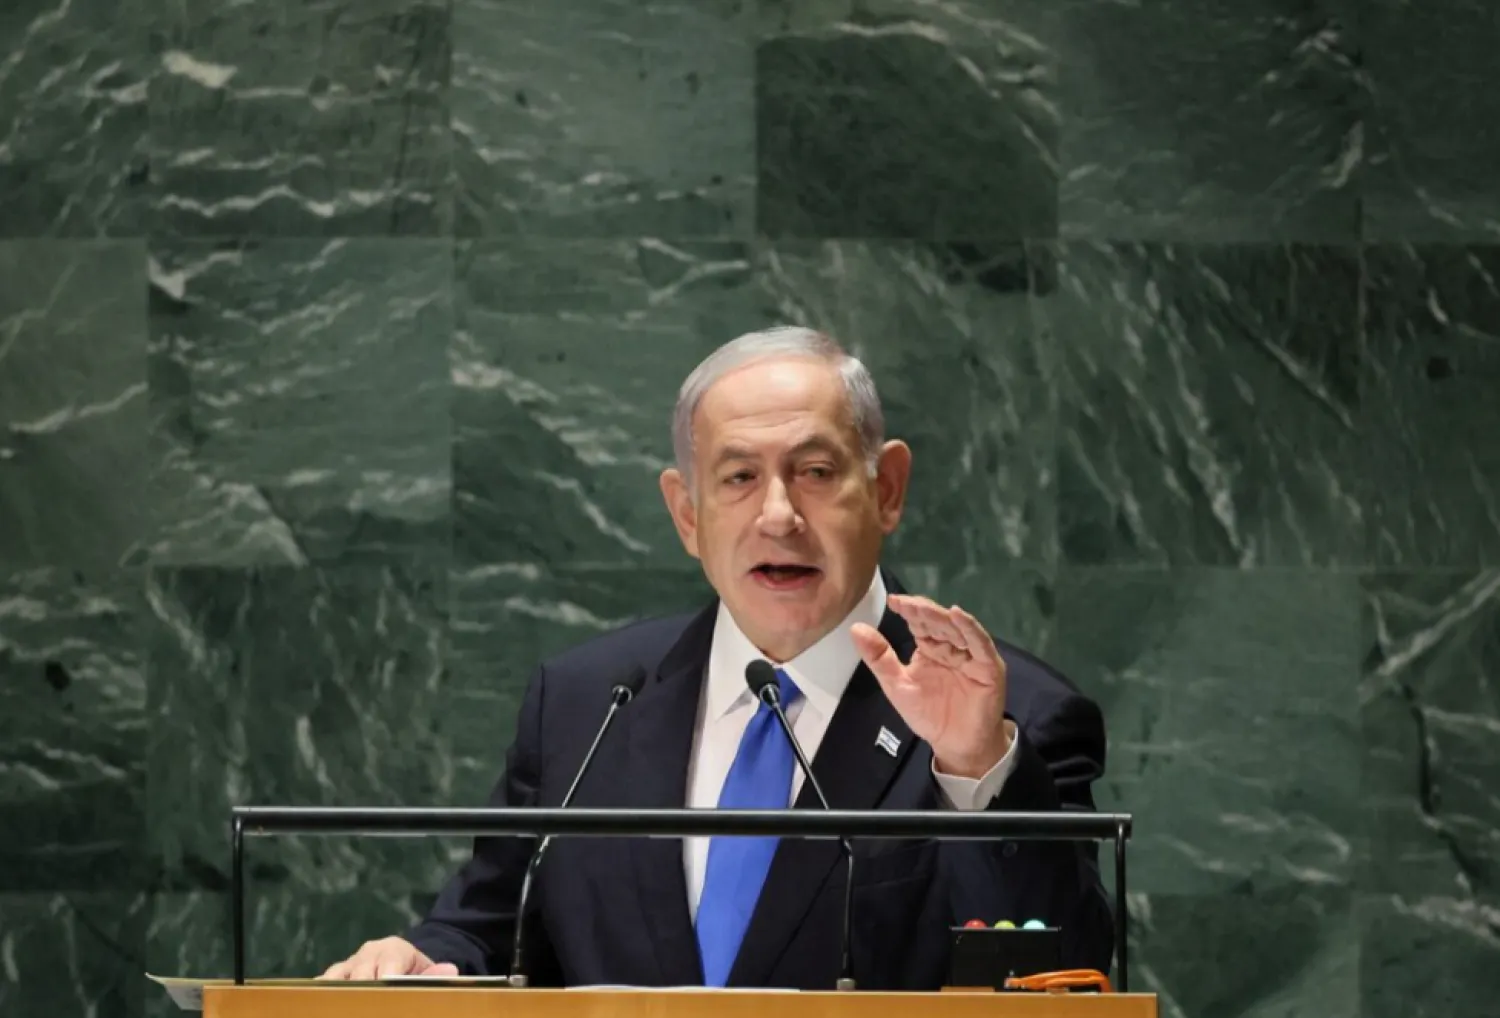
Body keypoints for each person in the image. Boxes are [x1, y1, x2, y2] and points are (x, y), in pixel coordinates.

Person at [321, 326, 1113, 989]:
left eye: (815, 472)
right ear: (687, 514)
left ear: (888, 489)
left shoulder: (1016, 722)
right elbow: (487, 936)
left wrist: (974, 767)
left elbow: (1068, 976)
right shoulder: (586, 704)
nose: (778, 514)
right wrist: (423, 961)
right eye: (738, 477)